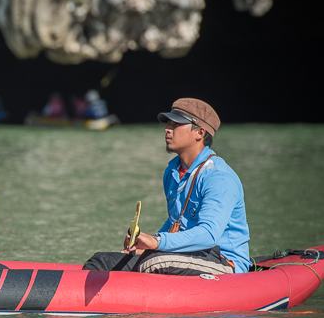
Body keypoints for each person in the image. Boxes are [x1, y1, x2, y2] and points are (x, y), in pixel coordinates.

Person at [83, 98, 251, 275]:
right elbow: (174, 222)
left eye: (176, 124)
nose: (167, 129)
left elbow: (209, 235)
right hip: (183, 257)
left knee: (154, 262)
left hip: (224, 262)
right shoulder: (172, 171)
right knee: (101, 260)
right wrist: (144, 245)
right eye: (168, 123)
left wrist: (156, 242)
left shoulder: (219, 177)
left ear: (200, 133)